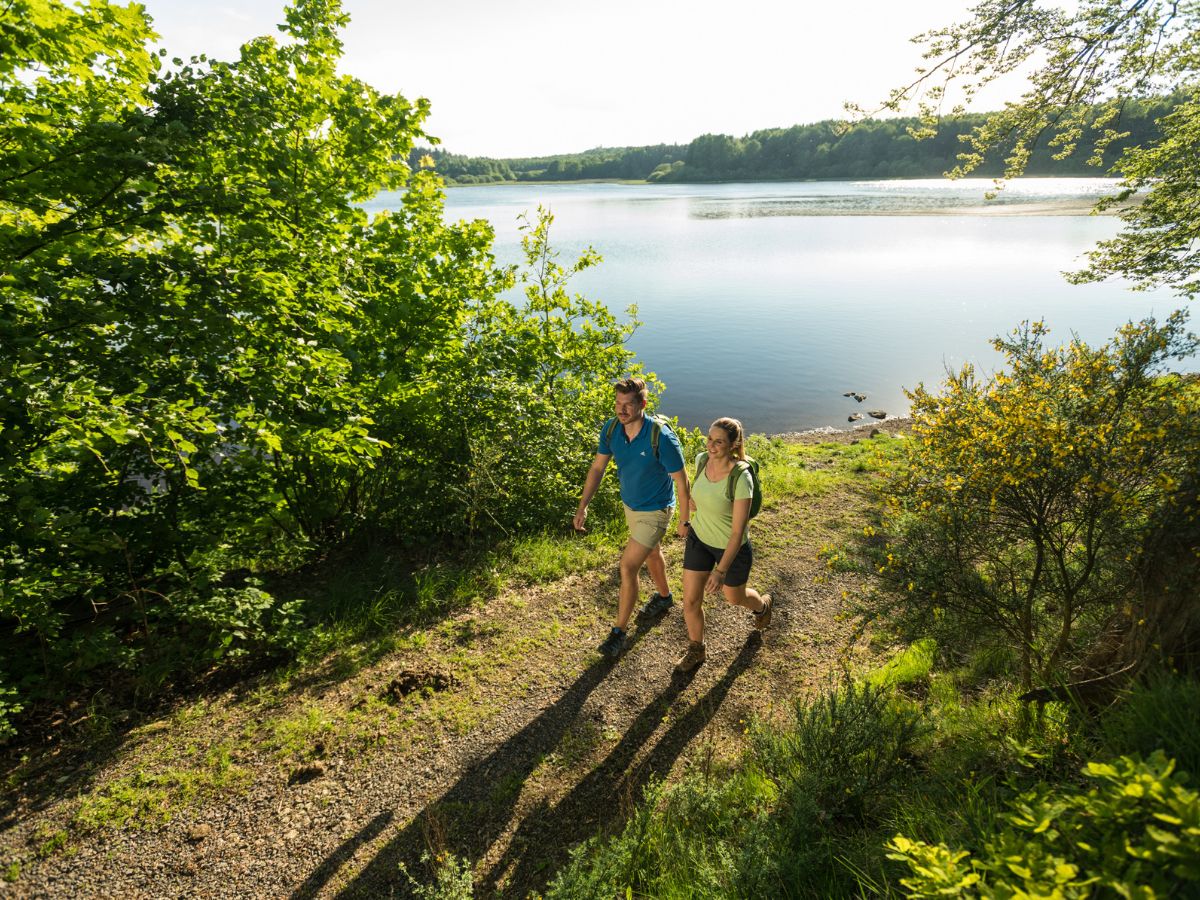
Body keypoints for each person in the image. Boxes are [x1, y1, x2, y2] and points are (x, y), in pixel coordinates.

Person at [574, 377, 691, 659]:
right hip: (631, 505)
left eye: (628, 405)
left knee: (627, 567)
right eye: (618, 404)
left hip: (657, 510)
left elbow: (682, 481)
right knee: (651, 554)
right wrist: (583, 506)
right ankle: (664, 597)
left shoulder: (660, 437)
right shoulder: (612, 429)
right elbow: (597, 468)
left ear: (643, 404)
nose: (621, 410)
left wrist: (684, 519)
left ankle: (619, 633)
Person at [675, 416, 771, 674]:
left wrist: (720, 571)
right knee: (690, 601)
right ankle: (697, 649)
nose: (711, 446)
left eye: (719, 442)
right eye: (709, 439)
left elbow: (738, 531)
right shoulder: (701, 460)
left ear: (732, 445)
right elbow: (695, 494)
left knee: (734, 597)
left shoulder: (741, 477)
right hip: (699, 539)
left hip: (731, 548)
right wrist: (689, 512)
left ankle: (762, 606)